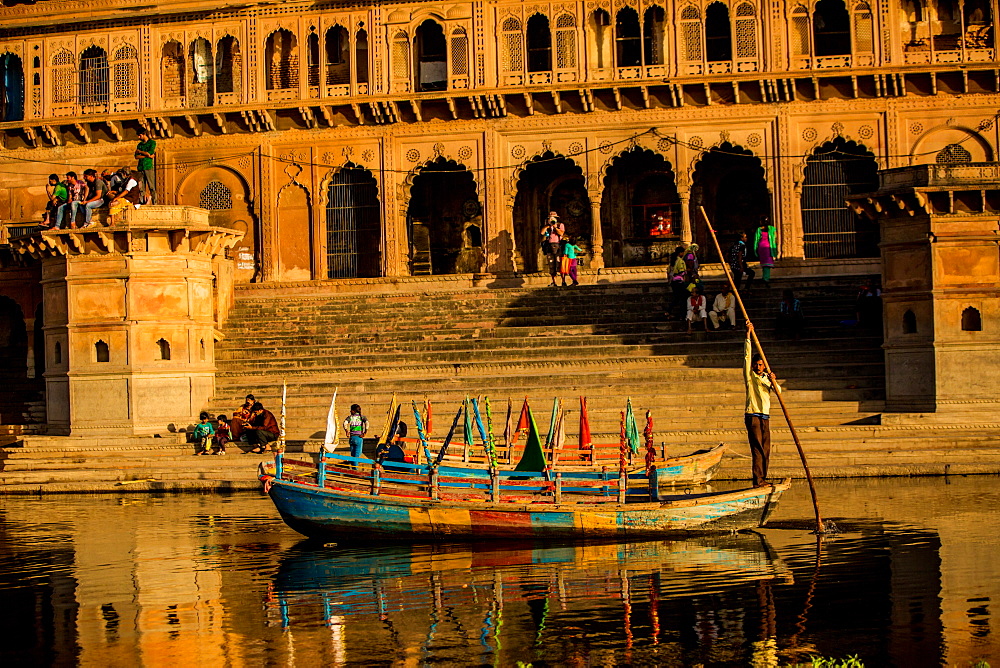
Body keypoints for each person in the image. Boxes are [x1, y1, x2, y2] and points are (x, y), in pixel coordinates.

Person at [744, 322, 779, 487]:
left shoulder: (766, 378)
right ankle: (757, 480)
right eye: (756, 365)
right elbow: (746, 356)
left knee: (766, 448)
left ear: (764, 366)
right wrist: (748, 336)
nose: (758, 367)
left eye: (760, 365)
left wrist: (773, 380)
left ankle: (762, 478)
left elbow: (778, 391)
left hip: (765, 416)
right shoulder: (750, 377)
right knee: (757, 447)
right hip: (753, 415)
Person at [541, 211, 565, 287]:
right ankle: (554, 281)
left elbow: (561, 233)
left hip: (558, 245)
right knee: (551, 264)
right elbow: (542, 233)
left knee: (559, 263)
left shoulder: (560, 225)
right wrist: (547, 226)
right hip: (549, 246)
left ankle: (563, 281)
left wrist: (555, 227)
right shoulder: (547, 226)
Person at [134, 129, 156, 204]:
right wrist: (146, 156)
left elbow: (149, 153)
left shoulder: (152, 143)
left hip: (148, 166)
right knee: (141, 187)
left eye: (140, 135)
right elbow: (136, 157)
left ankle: (154, 202)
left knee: (151, 186)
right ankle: (142, 202)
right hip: (140, 167)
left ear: (144, 134)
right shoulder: (139, 145)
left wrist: (140, 152)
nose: (138, 137)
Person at [754, 217, 778, 286]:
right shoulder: (772, 229)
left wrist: (755, 249)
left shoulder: (759, 229)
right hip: (768, 247)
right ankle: (766, 278)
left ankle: (765, 277)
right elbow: (775, 238)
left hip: (762, 247)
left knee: (765, 264)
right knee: (767, 264)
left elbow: (756, 240)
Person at [667, 245, 687, 319]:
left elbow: (668, 271)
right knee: (682, 299)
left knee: (676, 297)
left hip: (673, 281)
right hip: (679, 281)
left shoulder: (672, 261)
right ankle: (681, 315)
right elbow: (681, 272)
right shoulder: (680, 261)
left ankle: (669, 311)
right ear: (680, 253)